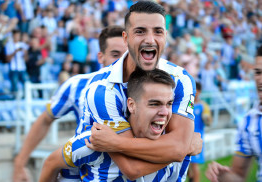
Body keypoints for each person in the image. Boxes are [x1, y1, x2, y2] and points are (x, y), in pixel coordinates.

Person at [79, 1, 201, 180]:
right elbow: (132, 168)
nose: (150, 39)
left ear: (166, 36)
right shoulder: (102, 89)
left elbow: (178, 147)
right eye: (140, 31)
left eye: (158, 31)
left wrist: (116, 143)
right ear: (126, 38)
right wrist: (183, 148)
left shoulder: (181, 80)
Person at [13, 25, 127, 182]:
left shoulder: (144, 89)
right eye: (115, 55)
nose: (122, 61)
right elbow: (45, 120)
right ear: (100, 57)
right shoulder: (77, 84)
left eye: (127, 55)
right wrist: (20, 163)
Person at [39, 68, 179, 181]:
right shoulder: (95, 140)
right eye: (154, 104)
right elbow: (51, 163)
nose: (165, 112)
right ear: (131, 105)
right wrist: (181, 150)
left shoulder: (173, 144)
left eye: (169, 104)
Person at [205, 45, 262, 182]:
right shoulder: (249, 122)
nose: (260, 80)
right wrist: (222, 176)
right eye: (258, 72)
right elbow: (238, 175)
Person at [188, 82, 212, 182]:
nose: (195, 92)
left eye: (197, 90)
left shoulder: (204, 106)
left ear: (200, 91)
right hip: (187, 137)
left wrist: (206, 118)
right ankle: (191, 179)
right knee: (186, 165)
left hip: (197, 137)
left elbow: (209, 122)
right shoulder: (189, 104)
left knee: (195, 165)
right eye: (193, 90)